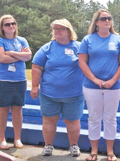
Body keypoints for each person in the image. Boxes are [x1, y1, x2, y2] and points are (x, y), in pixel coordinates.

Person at [78, 9, 120, 161]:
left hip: (113, 87)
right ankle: (93, 151)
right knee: (93, 117)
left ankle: (110, 152)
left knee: (110, 118)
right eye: (104, 18)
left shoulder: (118, 40)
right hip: (92, 87)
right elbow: (82, 62)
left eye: (109, 18)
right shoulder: (88, 40)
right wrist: (95, 79)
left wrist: (112, 80)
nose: (107, 20)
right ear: (97, 22)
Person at [31, 19, 83, 157]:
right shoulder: (47, 48)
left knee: (72, 122)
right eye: (55, 28)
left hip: (74, 94)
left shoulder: (79, 47)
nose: (57, 31)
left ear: (69, 31)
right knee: (48, 121)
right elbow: (36, 66)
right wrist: (35, 86)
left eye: (61, 28)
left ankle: (74, 146)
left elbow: (89, 65)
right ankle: (48, 145)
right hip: (49, 94)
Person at [0, 15, 32, 150]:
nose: (11, 26)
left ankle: (17, 138)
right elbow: (1, 59)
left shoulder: (22, 40)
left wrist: (10, 53)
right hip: (2, 80)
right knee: (3, 110)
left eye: (13, 23)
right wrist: (19, 55)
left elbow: (28, 56)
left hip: (19, 79)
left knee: (17, 110)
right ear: (2, 27)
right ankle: (2, 139)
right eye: (7, 24)